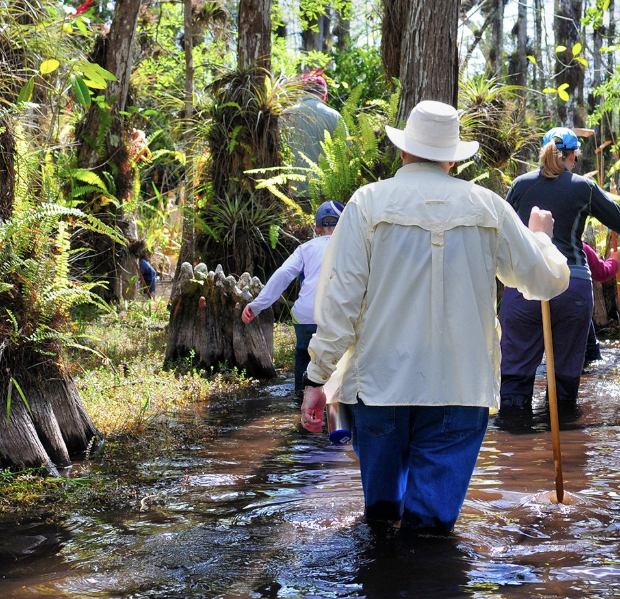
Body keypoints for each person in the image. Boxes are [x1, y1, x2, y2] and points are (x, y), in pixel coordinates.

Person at [300, 100, 569, 534]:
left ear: (404, 151)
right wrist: (539, 239)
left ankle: (383, 592)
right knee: (431, 534)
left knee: (381, 524)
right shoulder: (488, 207)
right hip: (460, 390)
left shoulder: (367, 203)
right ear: (452, 157)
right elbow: (545, 281)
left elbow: (339, 305)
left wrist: (316, 380)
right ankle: (431, 589)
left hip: (379, 388)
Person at [499, 127, 620, 414]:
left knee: (513, 380)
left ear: (542, 154)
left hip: (523, 287)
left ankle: (515, 449)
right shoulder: (582, 188)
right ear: (573, 157)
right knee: (564, 386)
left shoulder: (520, 185)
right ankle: (563, 437)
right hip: (570, 287)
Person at [242, 200, 345, 399]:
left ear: (316, 228)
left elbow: (283, 275)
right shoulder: (353, 247)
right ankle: (334, 407)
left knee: (304, 356)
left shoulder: (305, 249)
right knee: (338, 361)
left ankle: (300, 401)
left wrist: (256, 306)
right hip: (338, 316)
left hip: (307, 315)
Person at [283, 70, 342, 198]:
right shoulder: (334, 116)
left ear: (303, 91)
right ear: (324, 93)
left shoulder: (285, 115)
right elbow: (346, 153)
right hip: (325, 193)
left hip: (292, 192)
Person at [583, 242, 620, 365]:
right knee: (590, 356)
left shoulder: (538, 243)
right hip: (578, 303)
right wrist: (614, 260)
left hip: (543, 303)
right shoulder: (581, 247)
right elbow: (602, 273)